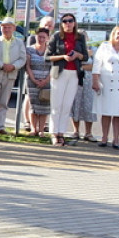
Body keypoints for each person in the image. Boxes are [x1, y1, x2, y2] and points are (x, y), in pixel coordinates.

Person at [46, 13, 89, 147]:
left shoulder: (80, 37)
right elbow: (47, 57)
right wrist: (63, 56)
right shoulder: (56, 36)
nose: (68, 23)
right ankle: (54, 133)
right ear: (61, 23)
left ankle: (61, 133)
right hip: (60, 72)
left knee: (66, 105)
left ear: (75, 23)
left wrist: (77, 54)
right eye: (65, 21)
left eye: (70, 21)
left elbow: (85, 57)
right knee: (56, 105)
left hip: (74, 73)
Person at [0, 17, 26, 135]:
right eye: (4, 27)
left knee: (4, 101)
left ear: (14, 28)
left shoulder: (19, 42)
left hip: (10, 74)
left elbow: (22, 59)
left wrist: (13, 66)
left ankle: (1, 126)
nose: (6, 29)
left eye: (9, 27)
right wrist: (2, 65)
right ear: (0, 28)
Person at [25, 27, 52, 137]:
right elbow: (27, 66)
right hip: (32, 80)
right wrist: (34, 79)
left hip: (46, 80)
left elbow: (53, 68)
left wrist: (45, 80)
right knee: (33, 105)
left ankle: (41, 129)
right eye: (39, 36)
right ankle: (33, 128)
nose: (41, 39)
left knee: (44, 105)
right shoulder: (29, 49)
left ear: (47, 38)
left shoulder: (51, 51)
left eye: (43, 37)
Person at [70, 46, 97, 142]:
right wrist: (83, 67)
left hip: (89, 81)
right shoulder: (73, 51)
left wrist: (81, 67)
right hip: (76, 79)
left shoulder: (92, 51)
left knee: (88, 106)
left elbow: (95, 66)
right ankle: (76, 131)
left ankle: (88, 132)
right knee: (75, 104)